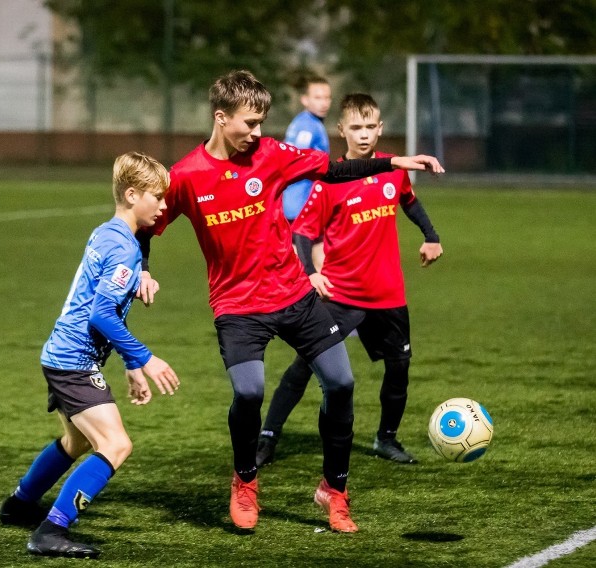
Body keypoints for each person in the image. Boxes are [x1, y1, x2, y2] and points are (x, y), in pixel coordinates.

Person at [138, 70, 443, 533]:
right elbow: (145, 224)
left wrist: (396, 161)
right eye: (250, 123)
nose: (259, 133)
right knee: (248, 392)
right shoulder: (185, 176)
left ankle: (334, 490)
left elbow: (334, 169)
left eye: (262, 122)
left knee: (340, 383)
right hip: (237, 306)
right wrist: (140, 267)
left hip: (295, 296)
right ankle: (244, 480)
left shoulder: (272, 155)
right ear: (221, 118)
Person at [0, 152, 180, 559]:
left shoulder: (106, 232)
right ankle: (51, 530)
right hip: (74, 362)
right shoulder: (123, 249)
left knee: (76, 440)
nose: (165, 206)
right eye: (158, 197)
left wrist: (131, 364)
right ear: (132, 195)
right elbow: (101, 314)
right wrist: (146, 358)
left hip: (59, 353)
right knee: (116, 445)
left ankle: (19, 504)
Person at [257, 93, 444, 467]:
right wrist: (311, 274)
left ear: (380, 128)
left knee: (399, 367)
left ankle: (386, 439)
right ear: (341, 130)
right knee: (304, 364)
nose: (363, 135)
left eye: (370, 127)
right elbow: (303, 233)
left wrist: (431, 236)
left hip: (388, 293)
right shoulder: (329, 181)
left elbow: (409, 200)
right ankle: (267, 438)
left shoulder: (394, 169)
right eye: (355, 128)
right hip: (341, 294)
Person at [282, 74, 333, 222]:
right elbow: (294, 161)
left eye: (327, 97)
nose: (324, 103)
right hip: (302, 204)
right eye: (318, 98)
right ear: (305, 100)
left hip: (292, 202)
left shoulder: (299, 121)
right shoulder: (309, 126)